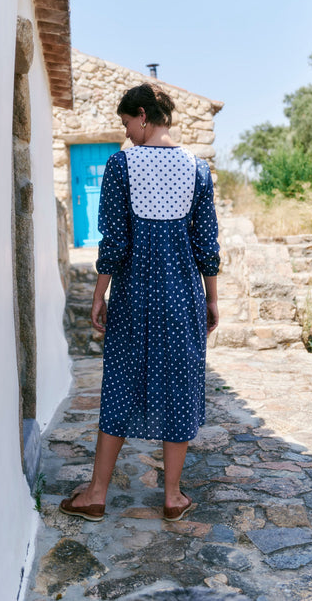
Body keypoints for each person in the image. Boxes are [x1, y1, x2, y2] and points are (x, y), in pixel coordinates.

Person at [60, 83, 220, 522]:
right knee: (180, 388)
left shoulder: (120, 167)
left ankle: (96, 493)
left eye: (127, 122)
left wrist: (99, 292)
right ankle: (172, 497)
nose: (126, 132)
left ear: (144, 115)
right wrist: (212, 298)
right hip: (183, 295)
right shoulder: (197, 169)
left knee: (120, 386)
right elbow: (206, 244)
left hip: (134, 297)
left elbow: (114, 241)